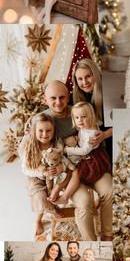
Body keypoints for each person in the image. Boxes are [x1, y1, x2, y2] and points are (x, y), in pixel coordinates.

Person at [27, 80, 112, 241]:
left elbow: (99, 126)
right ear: (45, 99)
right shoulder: (42, 120)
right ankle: (91, 243)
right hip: (70, 171)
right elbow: (28, 150)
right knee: (85, 202)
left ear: (68, 97)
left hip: (93, 163)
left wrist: (103, 135)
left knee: (108, 190)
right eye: (53, 98)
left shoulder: (78, 112)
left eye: (62, 97)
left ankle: (107, 234)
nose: (58, 102)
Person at [19, 112, 72, 237]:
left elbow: (65, 160)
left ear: (54, 131)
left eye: (48, 131)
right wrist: (42, 172)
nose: (44, 134)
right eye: (41, 131)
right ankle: (38, 220)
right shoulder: (30, 146)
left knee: (54, 191)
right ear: (34, 131)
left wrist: (60, 168)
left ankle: (53, 206)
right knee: (40, 196)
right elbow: (25, 168)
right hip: (35, 176)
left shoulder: (57, 143)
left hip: (53, 176)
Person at [52, 101, 111, 211]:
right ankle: (56, 190)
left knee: (75, 173)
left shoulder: (92, 134)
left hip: (92, 161)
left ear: (91, 116)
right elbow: (81, 140)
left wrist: (67, 150)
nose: (80, 120)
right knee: (67, 168)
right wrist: (76, 140)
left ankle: (65, 196)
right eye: (77, 117)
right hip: (85, 156)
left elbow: (84, 151)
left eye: (84, 117)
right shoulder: (85, 129)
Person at [72, 58, 112, 159]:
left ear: (95, 74)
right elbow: (60, 106)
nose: (84, 82)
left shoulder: (108, 92)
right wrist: (33, 119)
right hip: (91, 148)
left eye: (88, 76)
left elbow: (123, 121)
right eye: (80, 79)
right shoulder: (77, 97)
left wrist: (104, 135)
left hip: (111, 140)